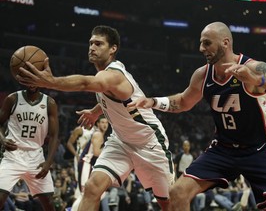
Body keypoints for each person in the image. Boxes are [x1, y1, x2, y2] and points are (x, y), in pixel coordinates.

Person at [128, 21, 266, 211]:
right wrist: (153, 102)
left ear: (225, 43)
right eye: (201, 43)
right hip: (223, 149)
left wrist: (258, 79)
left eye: (206, 43)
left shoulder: (252, 67)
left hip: (259, 149)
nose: (201, 48)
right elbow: (183, 102)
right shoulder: (203, 75)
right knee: (177, 193)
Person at [16, 25, 175, 211]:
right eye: (91, 43)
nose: (92, 47)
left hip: (149, 143)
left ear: (113, 49)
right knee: (92, 188)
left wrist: (51, 82)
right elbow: (112, 99)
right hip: (121, 142)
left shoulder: (115, 75)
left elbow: (85, 83)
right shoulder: (106, 77)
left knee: (167, 203)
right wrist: (94, 112)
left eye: (98, 44)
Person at [0, 85, 59, 211]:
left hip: (36, 156)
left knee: (49, 203)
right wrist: (2, 139)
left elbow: (54, 136)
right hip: (13, 154)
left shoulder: (49, 103)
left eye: (34, 80)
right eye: (28, 80)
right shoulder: (12, 99)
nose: (31, 84)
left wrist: (48, 162)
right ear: (22, 80)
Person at [71, 115, 109, 211]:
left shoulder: (98, 134)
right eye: (102, 122)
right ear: (98, 123)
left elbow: (85, 147)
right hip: (86, 164)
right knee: (84, 194)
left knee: (94, 194)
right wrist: (109, 151)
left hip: (90, 164)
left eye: (106, 122)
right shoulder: (98, 134)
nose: (105, 125)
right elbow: (96, 152)